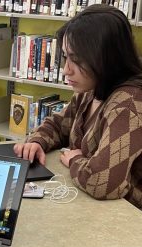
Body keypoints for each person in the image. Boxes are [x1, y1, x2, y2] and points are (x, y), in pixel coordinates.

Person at [14, 4, 142, 209]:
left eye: (77, 60)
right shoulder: (92, 89)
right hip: (92, 208)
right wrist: (37, 142)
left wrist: (76, 160)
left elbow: (102, 182)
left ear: (105, 58)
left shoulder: (128, 104)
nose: (66, 70)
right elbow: (58, 125)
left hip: (128, 222)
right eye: (66, 57)